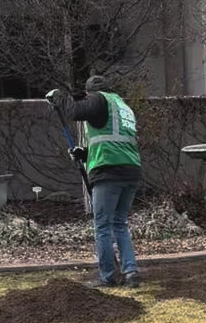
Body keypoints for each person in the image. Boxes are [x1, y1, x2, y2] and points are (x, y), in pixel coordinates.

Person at [46, 75, 142, 288]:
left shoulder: (99, 100)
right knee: (119, 223)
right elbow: (115, 140)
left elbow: (75, 112)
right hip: (130, 169)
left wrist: (59, 98)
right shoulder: (122, 106)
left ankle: (108, 276)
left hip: (108, 170)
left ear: (91, 93)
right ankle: (130, 271)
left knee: (103, 225)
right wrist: (85, 153)